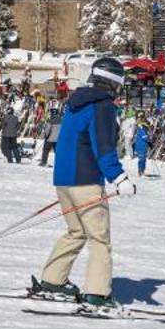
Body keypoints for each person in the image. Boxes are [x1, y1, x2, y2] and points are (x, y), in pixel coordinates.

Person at [33, 56, 134, 309]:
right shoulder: (103, 106)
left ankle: (53, 280)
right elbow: (103, 147)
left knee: (76, 232)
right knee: (99, 238)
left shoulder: (76, 102)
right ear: (114, 83)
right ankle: (97, 294)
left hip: (64, 179)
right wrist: (119, 178)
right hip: (86, 179)